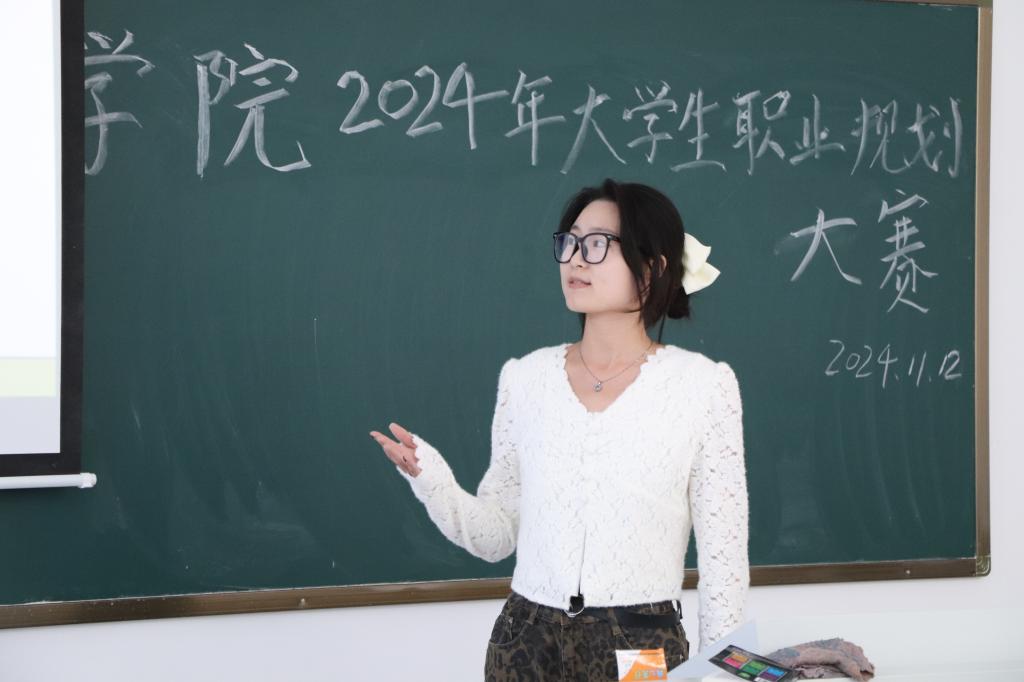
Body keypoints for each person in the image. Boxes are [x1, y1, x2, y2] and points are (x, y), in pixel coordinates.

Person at [369, 178, 749, 681]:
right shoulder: (525, 379)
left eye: (598, 244)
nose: (575, 259)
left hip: (639, 647)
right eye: (570, 242)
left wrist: (726, 675)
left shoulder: (703, 386)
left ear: (652, 268)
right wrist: (433, 481)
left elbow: (724, 566)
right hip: (524, 642)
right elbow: (496, 536)